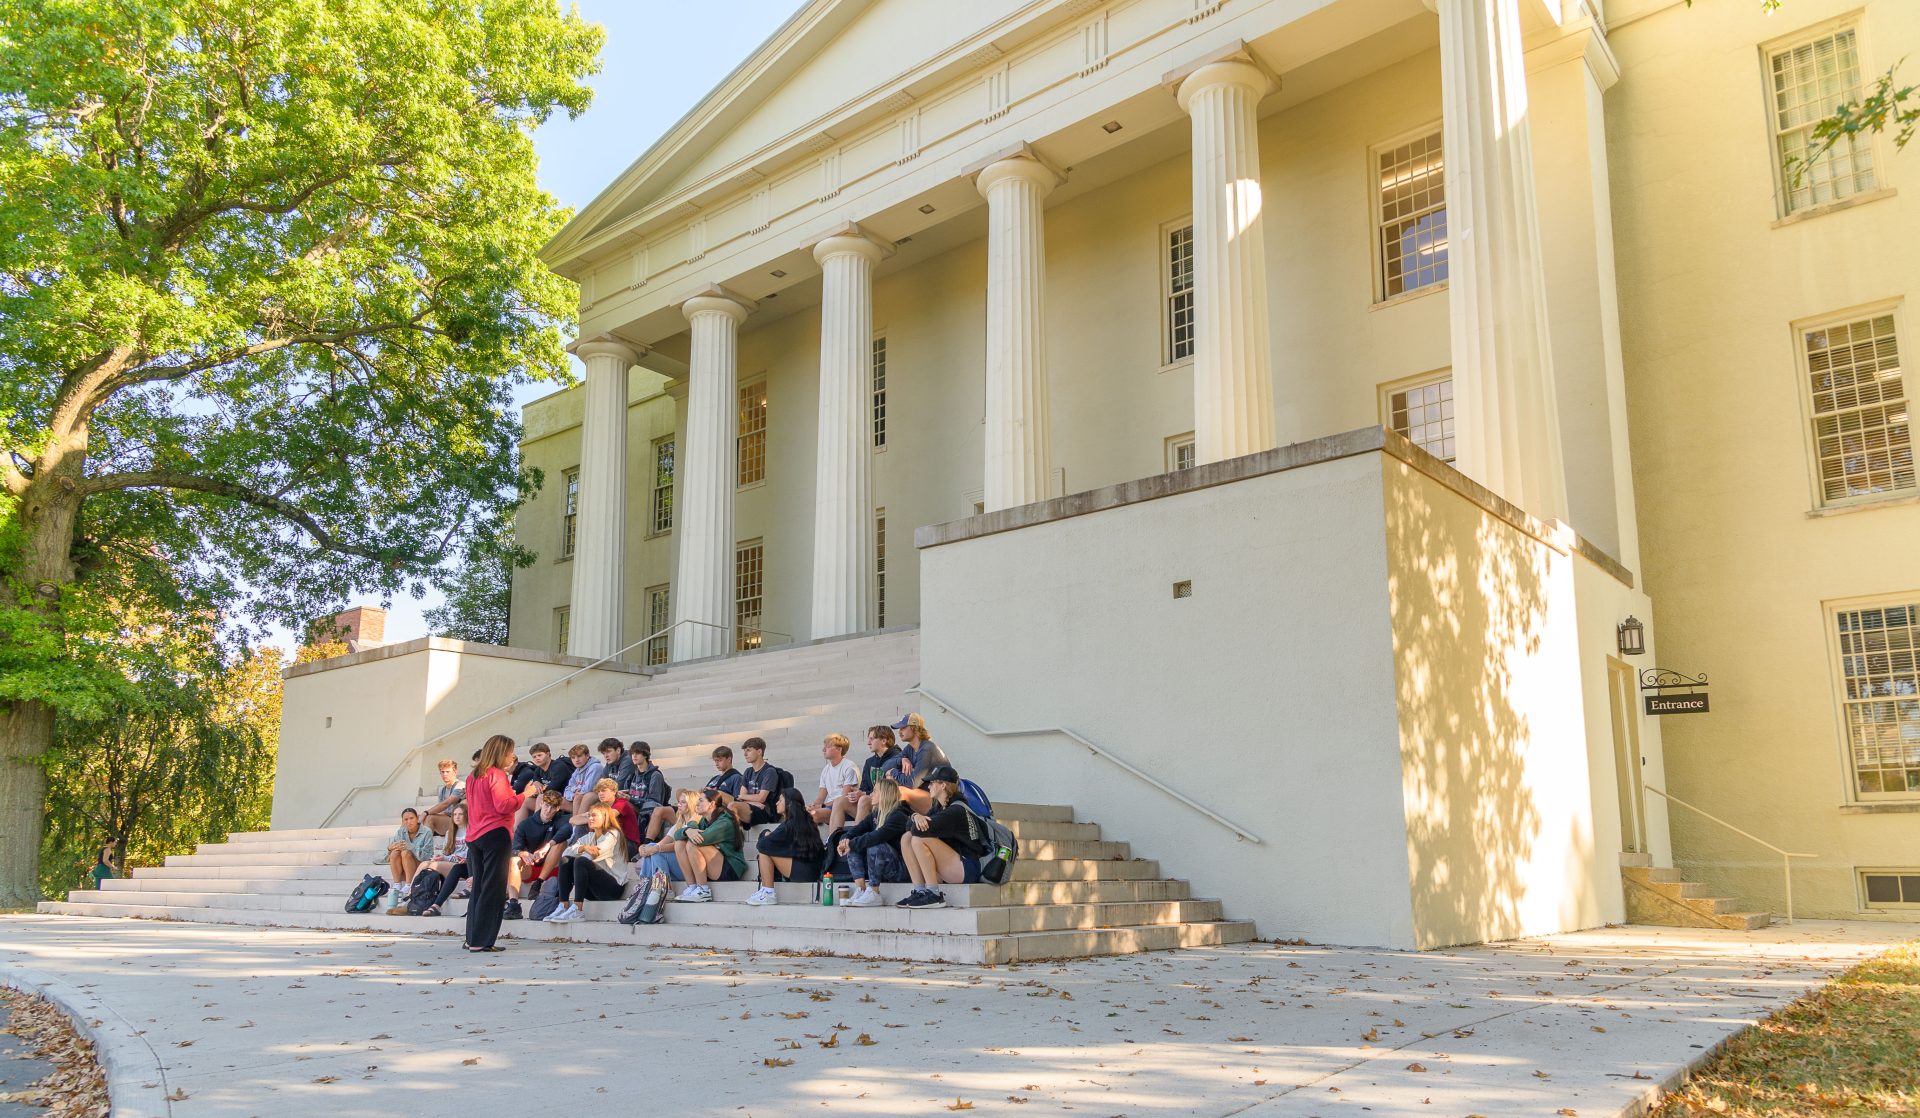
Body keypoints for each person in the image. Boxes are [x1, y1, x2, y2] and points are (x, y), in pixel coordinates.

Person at [897, 764, 987, 910]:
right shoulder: (939, 808)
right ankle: (920, 891)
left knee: (918, 838)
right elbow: (909, 827)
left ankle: (933, 894)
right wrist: (915, 815)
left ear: (943, 785)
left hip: (968, 868)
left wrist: (916, 818)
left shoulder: (955, 810)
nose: (928, 787)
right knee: (906, 838)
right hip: (954, 865)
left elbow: (919, 831)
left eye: (932, 783)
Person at [461, 734, 520, 951]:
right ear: (501, 753)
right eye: (510, 752)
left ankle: (472, 938)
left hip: (475, 836)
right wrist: (526, 795)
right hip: (495, 833)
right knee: (493, 889)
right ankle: (482, 940)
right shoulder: (497, 775)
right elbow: (504, 805)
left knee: (479, 886)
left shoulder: (472, 776)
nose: (512, 757)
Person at [545, 804, 630, 923]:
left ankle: (578, 911)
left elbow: (595, 853)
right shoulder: (590, 836)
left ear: (605, 817)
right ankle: (562, 906)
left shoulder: (613, 834)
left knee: (581, 861)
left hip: (612, 889)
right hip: (593, 890)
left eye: (594, 815)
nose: (590, 818)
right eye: (589, 815)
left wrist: (581, 852)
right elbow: (566, 853)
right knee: (566, 860)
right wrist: (583, 848)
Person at [835, 779, 912, 907]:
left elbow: (877, 836)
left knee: (874, 844)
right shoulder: (876, 814)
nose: (871, 794)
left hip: (901, 870)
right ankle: (861, 889)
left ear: (885, 794)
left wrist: (851, 844)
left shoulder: (898, 815)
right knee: (854, 845)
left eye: (875, 791)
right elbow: (857, 829)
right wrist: (845, 839)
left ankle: (874, 892)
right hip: (881, 866)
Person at [745, 788, 827, 905]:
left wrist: (764, 834)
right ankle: (765, 890)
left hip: (803, 872)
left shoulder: (790, 824)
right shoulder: (803, 820)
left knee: (764, 851)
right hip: (810, 870)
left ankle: (768, 892)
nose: (776, 803)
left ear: (789, 803)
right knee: (767, 844)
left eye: (780, 800)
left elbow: (762, 845)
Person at [670, 788, 746, 902]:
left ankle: (703, 891)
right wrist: (687, 831)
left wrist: (692, 822)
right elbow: (676, 836)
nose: (697, 803)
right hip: (716, 864)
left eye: (701, 800)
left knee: (692, 844)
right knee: (679, 844)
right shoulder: (705, 820)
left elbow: (702, 839)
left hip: (731, 868)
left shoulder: (725, 821)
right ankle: (692, 887)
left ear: (712, 804)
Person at [885, 713, 950, 814]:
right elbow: (884, 767)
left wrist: (893, 772)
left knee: (900, 790)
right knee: (888, 784)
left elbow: (912, 783)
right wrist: (901, 760)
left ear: (914, 728)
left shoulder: (927, 748)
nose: (899, 731)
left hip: (942, 801)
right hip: (927, 794)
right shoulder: (910, 748)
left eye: (903, 728)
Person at [512, 790, 571, 895]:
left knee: (561, 843)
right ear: (541, 803)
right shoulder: (526, 824)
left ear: (558, 808)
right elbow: (515, 846)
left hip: (552, 867)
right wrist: (523, 853)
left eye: (553, 807)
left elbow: (567, 830)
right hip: (530, 866)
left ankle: (538, 883)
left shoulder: (561, 819)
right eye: (547, 805)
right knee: (513, 860)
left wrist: (548, 846)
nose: (548, 810)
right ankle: (513, 902)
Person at [842, 725, 901, 829]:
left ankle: (853, 839)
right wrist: (857, 794)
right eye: (868, 739)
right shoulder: (869, 762)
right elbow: (864, 788)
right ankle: (831, 841)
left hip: (890, 803)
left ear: (884, 740)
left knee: (864, 800)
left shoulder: (898, 758)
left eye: (872, 739)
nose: (868, 742)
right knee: (840, 802)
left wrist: (864, 794)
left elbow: (894, 788)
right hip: (872, 802)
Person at [418, 803, 471, 916]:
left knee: (432, 866)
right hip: (453, 863)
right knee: (424, 864)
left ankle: (430, 901)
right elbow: (446, 852)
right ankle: (410, 892)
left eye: (460, 814)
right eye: (455, 814)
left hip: (466, 865)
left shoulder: (471, 830)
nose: (457, 817)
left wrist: (445, 858)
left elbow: (466, 855)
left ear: (466, 815)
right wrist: (440, 857)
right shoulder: (450, 832)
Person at [632, 791, 696, 884]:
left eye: (683, 802)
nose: (679, 804)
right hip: (678, 866)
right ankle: (647, 883)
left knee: (657, 852)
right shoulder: (679, 824)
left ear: (691, 804)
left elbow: (680, 845)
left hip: (688, 868)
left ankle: (661, 886)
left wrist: (656, 848)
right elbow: (661, 843)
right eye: (679, 802)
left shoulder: (695, 823)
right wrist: (645, 848)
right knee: (652, 846)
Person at [619, 741, 673, 840]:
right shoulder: (632, 775)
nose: (634, 756)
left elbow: (653, 802)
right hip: (635, 809)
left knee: (624, 805)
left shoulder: (655, 775)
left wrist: (631, 799)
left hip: (649, 812)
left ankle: (642, 840)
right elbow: (628, 792)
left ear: (645, 755)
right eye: (632, 754)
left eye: (638, 753)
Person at [808, 733, 861, 827]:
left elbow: (844, 798)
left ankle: (830, 839)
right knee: (803, 812)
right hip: (829, 807)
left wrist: (822, 806)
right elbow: (820, 797)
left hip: (846, 808)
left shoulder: (849, 767)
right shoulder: (826, 769)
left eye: (827, 747)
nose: (823, 750)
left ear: (839, 749)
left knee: (813, 815)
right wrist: (812, 805)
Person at [513, 742, 571, 826]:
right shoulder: (538, 770)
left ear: (548, 754)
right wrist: (536, 785)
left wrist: (538, 790)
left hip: (564, 800)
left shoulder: (558, 767)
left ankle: (537, 827)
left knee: (541, 797)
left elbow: (553, 788)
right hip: (549, 801)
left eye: (539, 755)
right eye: (534, 757)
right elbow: (535, 785)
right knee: (525, 800)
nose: (537, 759)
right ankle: (516, 832)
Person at [384, 808, 438, 897]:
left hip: (420, 867)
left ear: (417, 818)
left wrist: (410, 847)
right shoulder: (401, 832)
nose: (409, 821)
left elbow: (426, 856)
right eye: (406, 819)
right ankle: (397, 884)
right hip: (404, 867)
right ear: (402, 821)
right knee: (395, 853)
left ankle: (409, 884)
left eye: (411, 818)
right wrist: (391, 848)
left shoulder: (426, 831)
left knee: (405, 853)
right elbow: (386, 856)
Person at [730, 737, 782, 829]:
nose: (745, 754)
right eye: (745, 751)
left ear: (759, 752)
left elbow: (761, 798)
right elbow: (742, 795)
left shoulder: (769, 771)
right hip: (753, 806)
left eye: (749, 750)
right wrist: (754, 802)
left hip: (764, 811)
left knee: (732, 805)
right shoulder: (748, 771)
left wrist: (745, 798)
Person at [577, 777, 640, 850]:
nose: (600, 793)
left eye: (603, 791)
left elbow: (610, 815)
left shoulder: (622, 803)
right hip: (610, 840)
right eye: (598, 791)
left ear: (614, 792)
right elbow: (572, 820)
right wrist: (591, 818)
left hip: (628, 843)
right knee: (580, 827)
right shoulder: (599, 807)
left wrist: (590, 818)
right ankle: (581, 852)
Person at [423, 758, 466, 836]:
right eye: (442, 772)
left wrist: (425, 813)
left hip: (458, 821)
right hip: (446, 820)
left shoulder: (460, 785)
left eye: (447, 772)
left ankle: (425, 847)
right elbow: (442, 811)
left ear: (455, 772)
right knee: (411, 817)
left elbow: (446, 803)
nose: (445, 774)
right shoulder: (442, 789)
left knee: (429, 818)